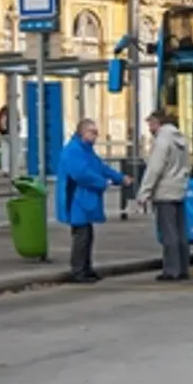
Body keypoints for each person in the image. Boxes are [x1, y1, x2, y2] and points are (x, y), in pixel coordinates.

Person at [56, 118, 130, 284]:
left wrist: (119, 178)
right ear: (83, 132)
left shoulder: (86, 150)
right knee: (81, 237)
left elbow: (101, 167)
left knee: (87, 236)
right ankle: (78, 271)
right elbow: (81, 174)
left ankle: (86, 268)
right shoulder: (73, 151)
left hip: (84, 199)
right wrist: (103, 182)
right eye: (93, 132)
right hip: (76, 199)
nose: (96, 136)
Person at [135, 109, 192, 281]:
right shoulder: (181, 139)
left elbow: (155, 168)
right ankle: (183, 268)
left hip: (164, 190)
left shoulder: (162, 140)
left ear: (157, 123)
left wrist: (144, 192)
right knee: (180, 232)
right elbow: (187, 166)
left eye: (150, 124)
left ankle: (171, 270)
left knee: (168, 233)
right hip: (179, 188)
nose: (149, 128)